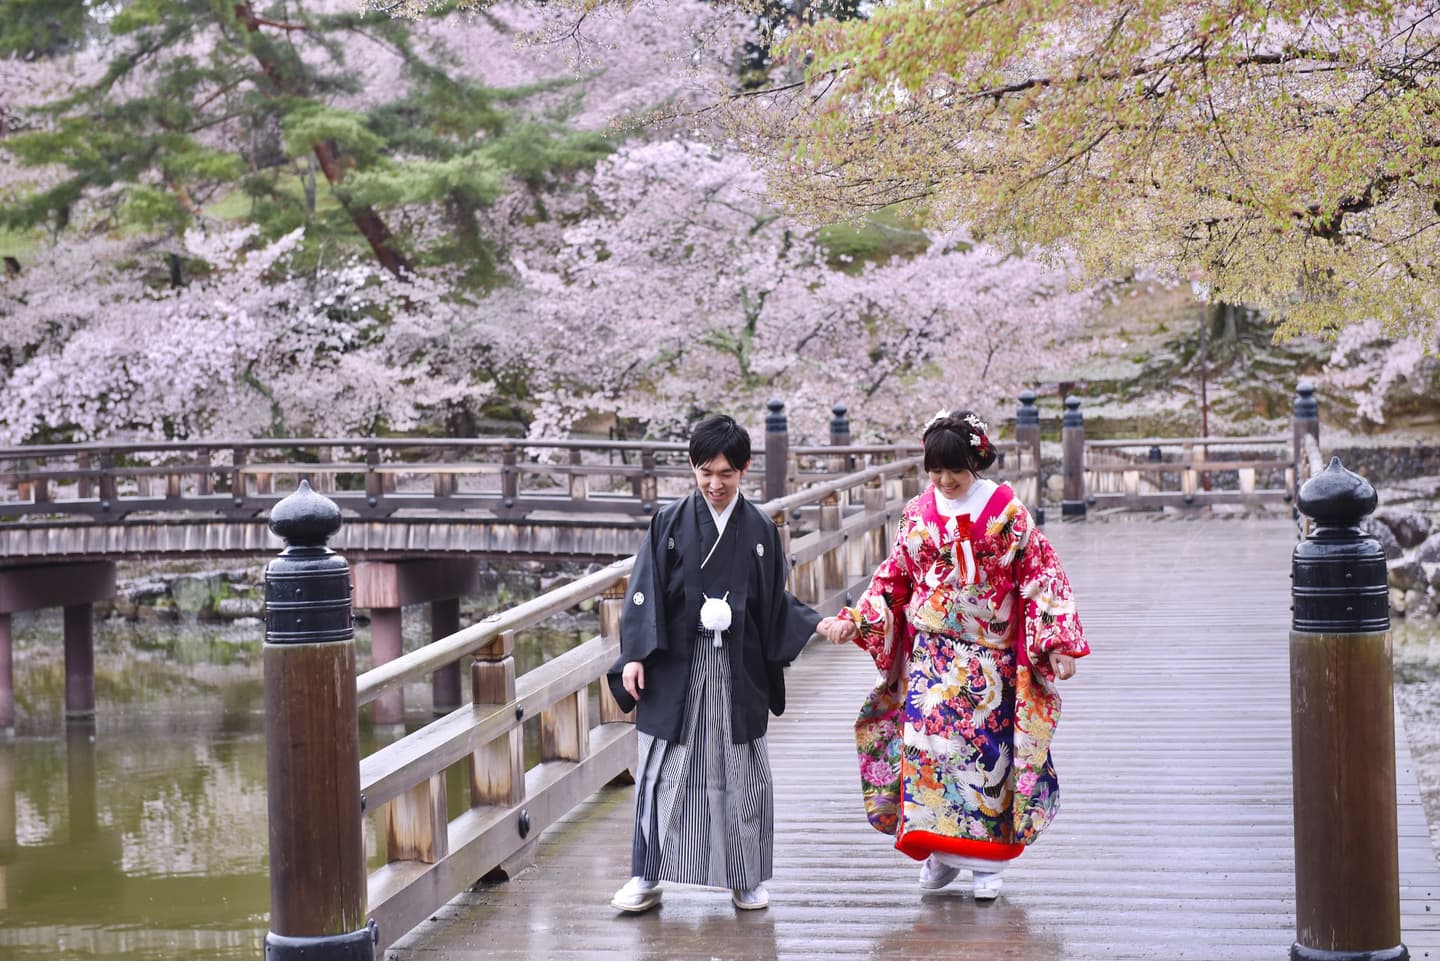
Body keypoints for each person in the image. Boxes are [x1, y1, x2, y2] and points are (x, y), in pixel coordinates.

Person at [817, 408, 1088, 901]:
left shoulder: (1006, 512)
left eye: (955, 472)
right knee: (930, 757)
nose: (944, 481)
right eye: (935, 472)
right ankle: (940, 856)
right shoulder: (919, 513)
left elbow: (1040, 573)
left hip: (991, 660)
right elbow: (893, 576)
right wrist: (857, 618)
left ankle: (985, 864)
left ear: (976, 463)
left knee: (986, 762)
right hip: (931, 658)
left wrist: (1056, 643)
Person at [607, 414, 821, 914]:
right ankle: (647, 874)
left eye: (726, 473)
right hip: (676, 663)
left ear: (744, 469)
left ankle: (745, 877)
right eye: (706, 472)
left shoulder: (761, 529)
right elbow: (645, 592)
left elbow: (775, 603)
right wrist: (635, 655)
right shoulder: (671, 521)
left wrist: (814, 623)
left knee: (741, 768)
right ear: (692, 468)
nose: (715, 484)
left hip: (736, 665)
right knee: (662, 768)